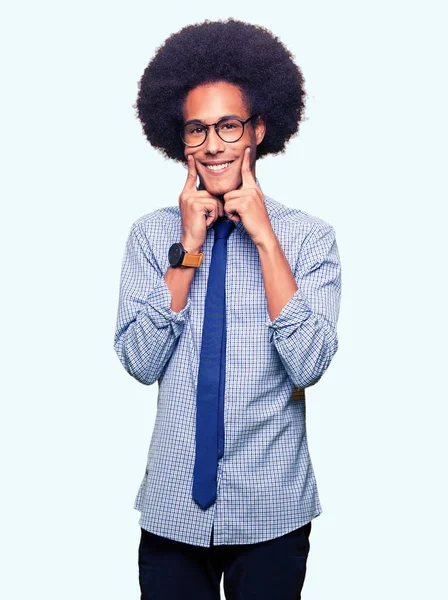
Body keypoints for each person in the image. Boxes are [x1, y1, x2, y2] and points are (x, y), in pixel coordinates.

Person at [114, 18, 341, 599]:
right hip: (172, 515)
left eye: (228, 125)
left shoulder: (309, 239)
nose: (212, 144)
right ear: (179, 137)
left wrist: (265, 238)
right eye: (196, 129)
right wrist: (188, 250)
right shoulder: (150, 237)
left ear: (258, 129)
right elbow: (141, 360)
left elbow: (309, 362)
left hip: (272, 511)